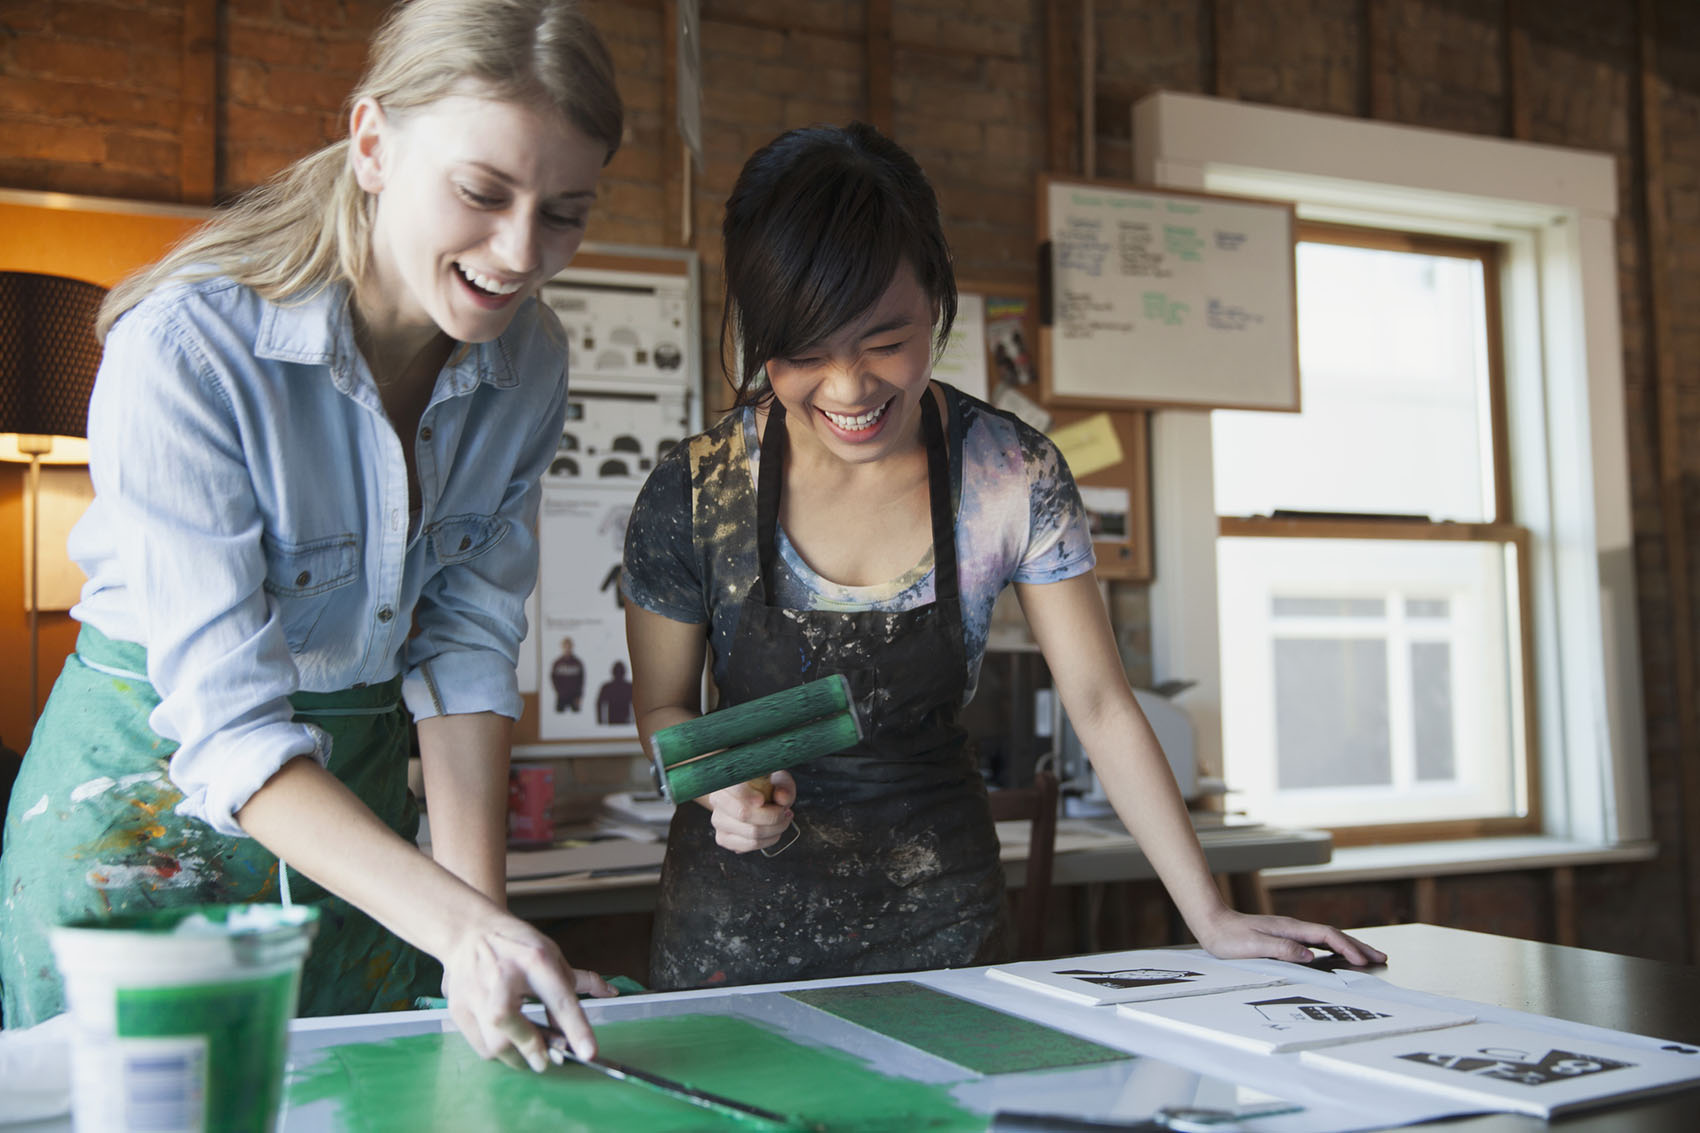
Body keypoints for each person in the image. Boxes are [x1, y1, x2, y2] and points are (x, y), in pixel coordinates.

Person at [620, 122, 1388, 990]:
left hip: (944, 926)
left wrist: (1209, 914)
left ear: (937, 297)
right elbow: (662, 704)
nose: (848, 388)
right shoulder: (695, 490)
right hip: (733, 937)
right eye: (804, 354)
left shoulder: (1012, 474)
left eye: (885, 342)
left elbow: (1099, 703)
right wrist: (719, 781)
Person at [0, 0, 622, 1072]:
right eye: (482, 193)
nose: (522, 252)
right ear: (373, 144)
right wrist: (458, 925)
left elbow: (467, 643)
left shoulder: (529, 360)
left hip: (364, 842)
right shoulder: (187, 349)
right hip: (141, 818)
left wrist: (476, 933)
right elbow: (229, 726)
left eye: (563, 212)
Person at [550, 636, 586, 713]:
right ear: (562, 647)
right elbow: (554, 678)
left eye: (569, 647)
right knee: (559, 715)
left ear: (572, 647)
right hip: (561, 696)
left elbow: (581, 681)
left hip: (574, 697)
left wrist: (579, 695)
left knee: (576, 716)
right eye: (565, 647)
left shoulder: (577, 663)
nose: (567, 649)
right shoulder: (558, 663)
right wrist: (559, 691)